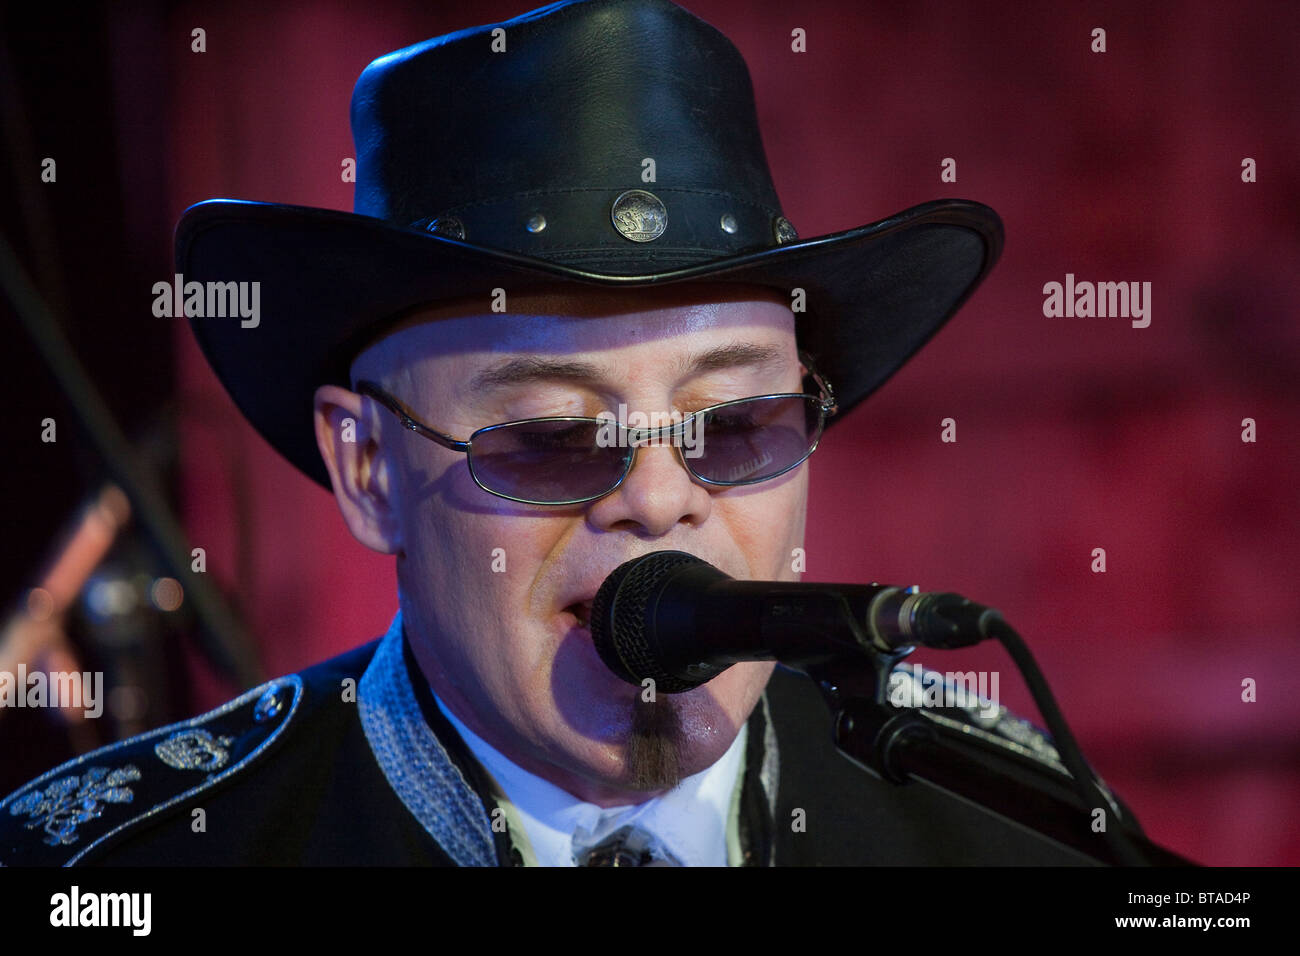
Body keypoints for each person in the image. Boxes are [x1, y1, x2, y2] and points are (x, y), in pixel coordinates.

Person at [0, 0, 1122, 866]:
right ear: (366, 466)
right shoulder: (110, 863)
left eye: (733, 426)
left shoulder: (1018, 824)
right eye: (549, 435)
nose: (658, 496)